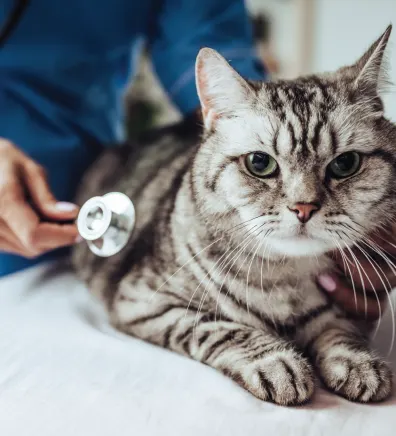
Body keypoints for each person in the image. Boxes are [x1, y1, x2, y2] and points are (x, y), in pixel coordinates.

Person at [0, 0, 393, 322]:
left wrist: (250, 118)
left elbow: (203, 38)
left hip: (95, 196)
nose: (304, 201)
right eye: (261, 164)